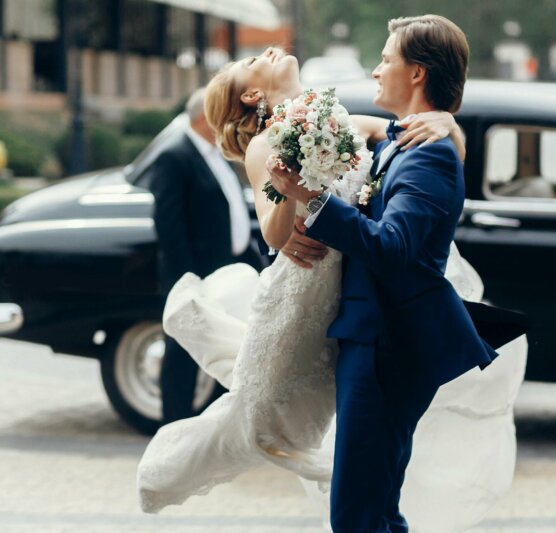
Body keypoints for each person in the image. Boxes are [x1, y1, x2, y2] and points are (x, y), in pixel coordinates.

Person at [137, 39, 521, 519]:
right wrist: (292, 186)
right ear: (254, 97)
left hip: (366, 292)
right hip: (318, 288)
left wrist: (446, 123)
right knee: (267, 410)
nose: (271, 50)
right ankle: (177, 462)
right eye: (255, 62)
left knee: (364, 477)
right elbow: (276, 234)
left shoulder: (340, 116)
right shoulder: (263, 145)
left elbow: (405, 140)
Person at [268, 15, 524, 532]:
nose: (376, 68)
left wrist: (312, 200)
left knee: (357, 512)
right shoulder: (402, 143)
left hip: (390, 343)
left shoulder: (429, 158)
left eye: (387, 59)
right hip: (375, 337)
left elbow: (393, 249)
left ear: (417, 73)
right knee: (375, 505)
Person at [143, 88, 262, 425]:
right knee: (181, 357)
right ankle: (174, 426)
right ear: (205, 118)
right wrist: (188, 282)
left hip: (226, 271)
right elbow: (169, 226)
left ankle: (215, 425)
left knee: (224, 350)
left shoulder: (215, 153)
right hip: (197, 277)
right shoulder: (174, 156)